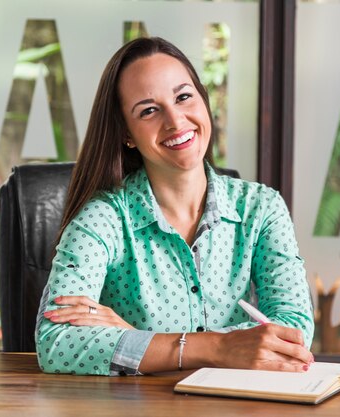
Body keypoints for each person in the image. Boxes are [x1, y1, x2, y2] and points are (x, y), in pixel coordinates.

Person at [36, 37, 314, 376]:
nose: (175, 121)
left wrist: (137, 339)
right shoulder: (103, 217)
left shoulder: (262, 207)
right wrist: (218, 348)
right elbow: (57, 342)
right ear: (126, 133)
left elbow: (295, 328)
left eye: (184, 97)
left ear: (203, 101)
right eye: (149, 110)